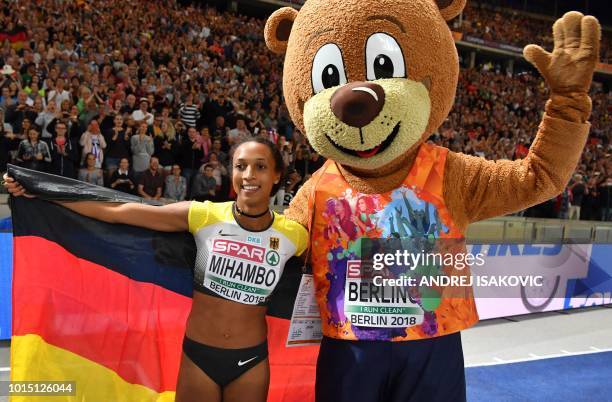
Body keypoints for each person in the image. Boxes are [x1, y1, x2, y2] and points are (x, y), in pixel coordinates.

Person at [4, 138, 308, 402]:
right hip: (199, 358)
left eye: (260, 167)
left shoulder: (293, 235)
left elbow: (335, 256)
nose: (248, 175)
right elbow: (117, 212)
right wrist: (43, 192)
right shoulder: (204, 215)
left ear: (277, 175)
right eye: (240, 166)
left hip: (251, 362)